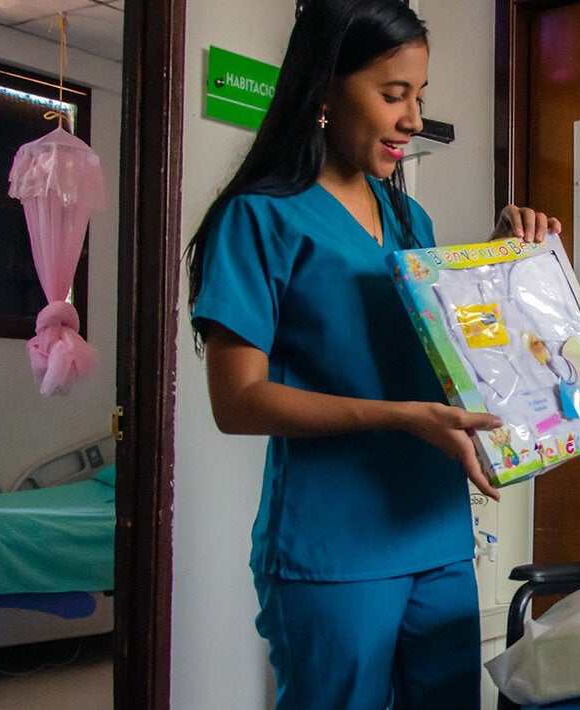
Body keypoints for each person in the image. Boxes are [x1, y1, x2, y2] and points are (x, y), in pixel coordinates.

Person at [182, 1, 559, 707]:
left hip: (436, 532)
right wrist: (397, 418)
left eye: (419, 96)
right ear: (325, 87)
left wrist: (502, 259)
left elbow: (452, 347)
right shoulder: (260, 218)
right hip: (334, 548)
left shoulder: (409, 220)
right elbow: (237, 402)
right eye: (393, 95)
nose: (414, 118)